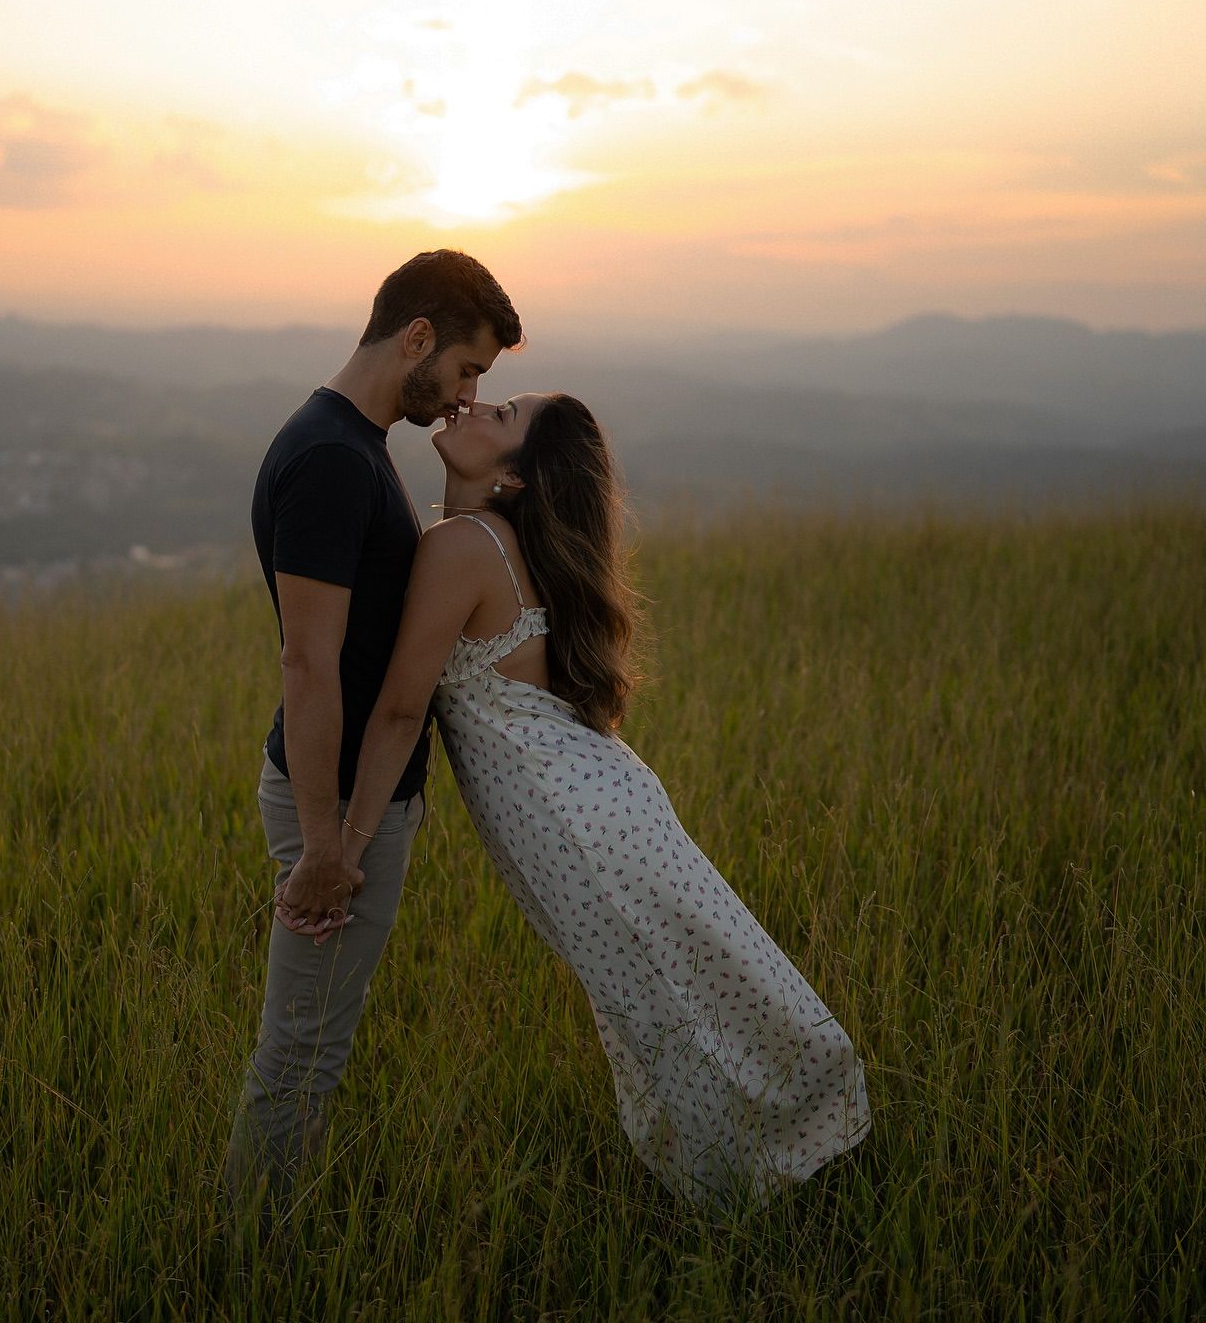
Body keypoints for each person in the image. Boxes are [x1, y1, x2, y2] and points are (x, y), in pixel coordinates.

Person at [283, 390, 871, 1210]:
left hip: (577, 823)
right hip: (599, 803)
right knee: (679, 984)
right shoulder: (488, 542)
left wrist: (341, 851)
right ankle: (781, 1165)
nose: (477, 404)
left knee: (664, 998)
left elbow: (400, 709)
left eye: (504, 414)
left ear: (515, 479)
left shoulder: (463, 544)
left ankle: (756, 1191)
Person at [224, 249, 522, 1209]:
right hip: (340, 802)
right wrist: (326, 842)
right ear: (418, 338)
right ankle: (244, 1256)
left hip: (354, 800)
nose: (468, 394)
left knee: (314, 1043)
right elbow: (307, 663)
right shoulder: (329, 460)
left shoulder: (355, 444)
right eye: (468, 369)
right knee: (303, 1050)